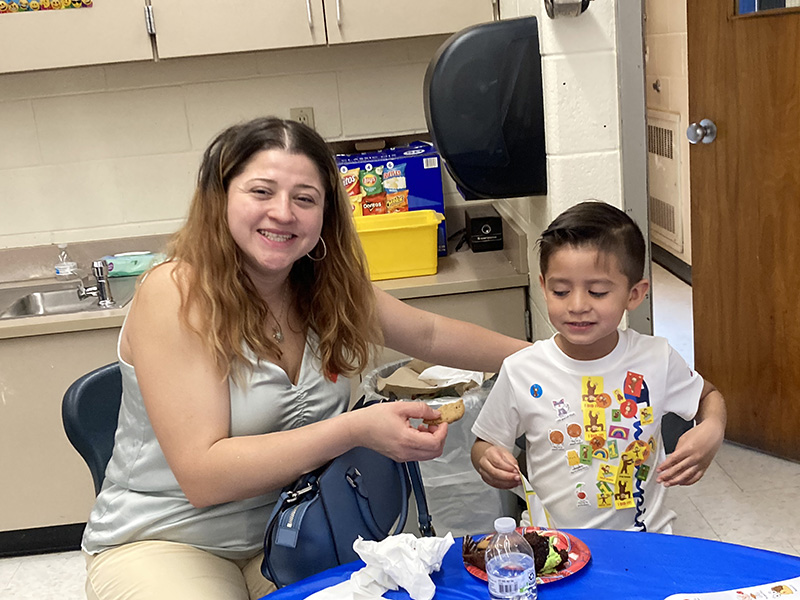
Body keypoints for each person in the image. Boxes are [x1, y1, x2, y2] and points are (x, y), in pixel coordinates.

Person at [81, 116, 530, 600]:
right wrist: (357, 429)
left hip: (298, 533)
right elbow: (203, 475)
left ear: (325, 215)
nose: (283, 213)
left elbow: (429, 332)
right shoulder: (177, 292)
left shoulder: (323, 285)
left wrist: (550, 360)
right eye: (261, 192)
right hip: (168, 541)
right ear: (221, 198)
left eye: (304, 198)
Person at [471, 201, 726, 533]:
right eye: (560, 291)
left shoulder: (655, 358)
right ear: (544, 286)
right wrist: (486, 459)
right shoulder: (522, 370)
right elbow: (484, 442)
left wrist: (712, 429)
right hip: (554, 544)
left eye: (598, 291)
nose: (578, 306)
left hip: (646, 541)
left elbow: (709, 397)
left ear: (634, 294)